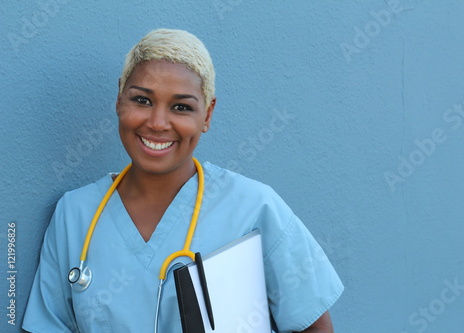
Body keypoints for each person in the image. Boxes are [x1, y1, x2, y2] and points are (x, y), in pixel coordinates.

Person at [23, 29, 344, 333]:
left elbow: (314, 326)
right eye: (142, 100)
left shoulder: (255, 209)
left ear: (207, 114)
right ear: (120, 98)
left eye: (181, 107)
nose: (158, 122)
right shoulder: (75, 215)